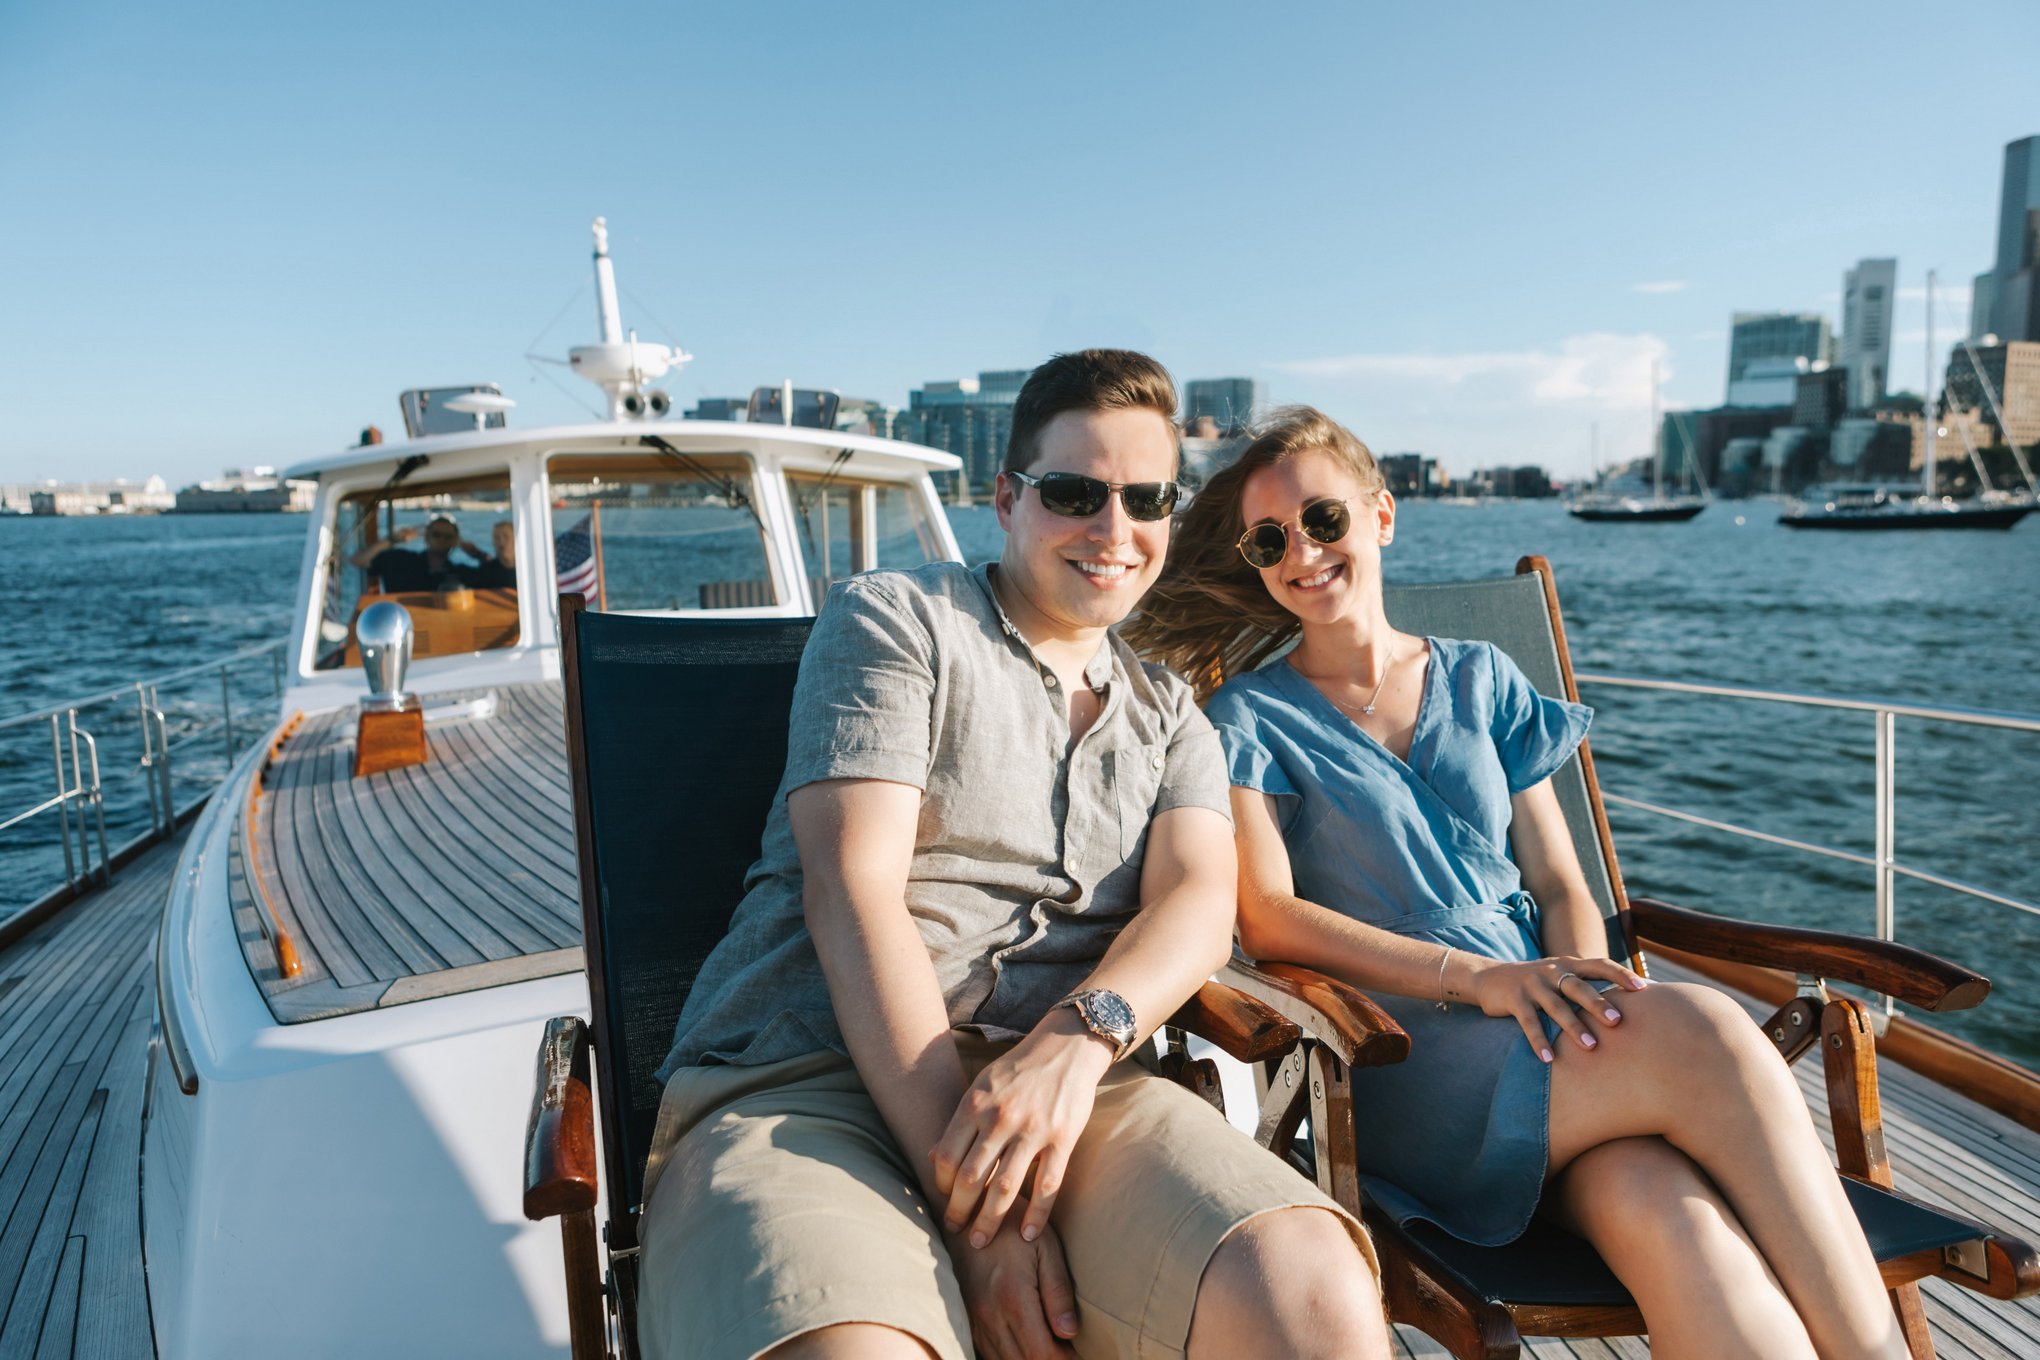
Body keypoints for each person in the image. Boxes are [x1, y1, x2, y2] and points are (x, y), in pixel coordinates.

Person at [639, 355, 1386, 1360]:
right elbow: (853, 890)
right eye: (1075, 492)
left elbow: (1202, 905)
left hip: (1068, 1092)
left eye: (1146, 498)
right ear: (1006, 497)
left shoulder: (1170, 714)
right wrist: (985, 1217)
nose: (1113, 529)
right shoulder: (898, 622)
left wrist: (1081, 1042)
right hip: (807, 1082)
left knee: (1311, 1292)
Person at [1123, 406, 1908, 1360]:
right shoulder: (1250, 715)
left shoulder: (1483, 678)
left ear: (1381, 515)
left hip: (1546, 1024)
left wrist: (1592, 1002)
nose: (1301, 552)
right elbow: (1271, 919)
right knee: (1706, 1031)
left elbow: (1557, 875)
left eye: (1323, 520)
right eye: (1269, 539)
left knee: (1672, 1218)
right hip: (1406, 1054)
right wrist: (1482, 979)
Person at [348, 515, 470, 592]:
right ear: (426, 536)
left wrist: (476, 553)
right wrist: (392, 540)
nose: (441, 539)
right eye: (436, 534)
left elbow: (489, 578)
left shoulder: (462, 574)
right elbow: (359, 560)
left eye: (448, 536)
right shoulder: (399, 561)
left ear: (455, 541)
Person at [466, 520, 517, 588]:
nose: (501, 542)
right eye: (497, 538)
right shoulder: (486, 572)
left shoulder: (528, 569)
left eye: (506, 536)